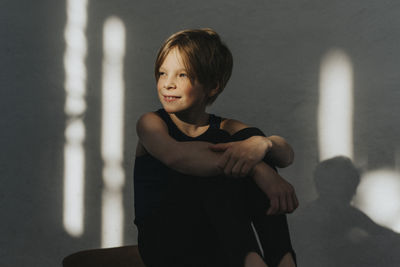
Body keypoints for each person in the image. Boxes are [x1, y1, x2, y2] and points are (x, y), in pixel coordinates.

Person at [134, 28, 298, 267]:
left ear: (212, 86)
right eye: (162, 73)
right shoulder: (151, 123)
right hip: (167, 245)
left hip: (215, 246)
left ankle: (282, 260)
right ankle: (253, 262)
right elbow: (177, 157)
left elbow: (286, 155)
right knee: (218, 162)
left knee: (251, 142)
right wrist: (259, 170)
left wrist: (263, 144)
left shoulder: (227, 126)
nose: (168, 84)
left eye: (182, 75)